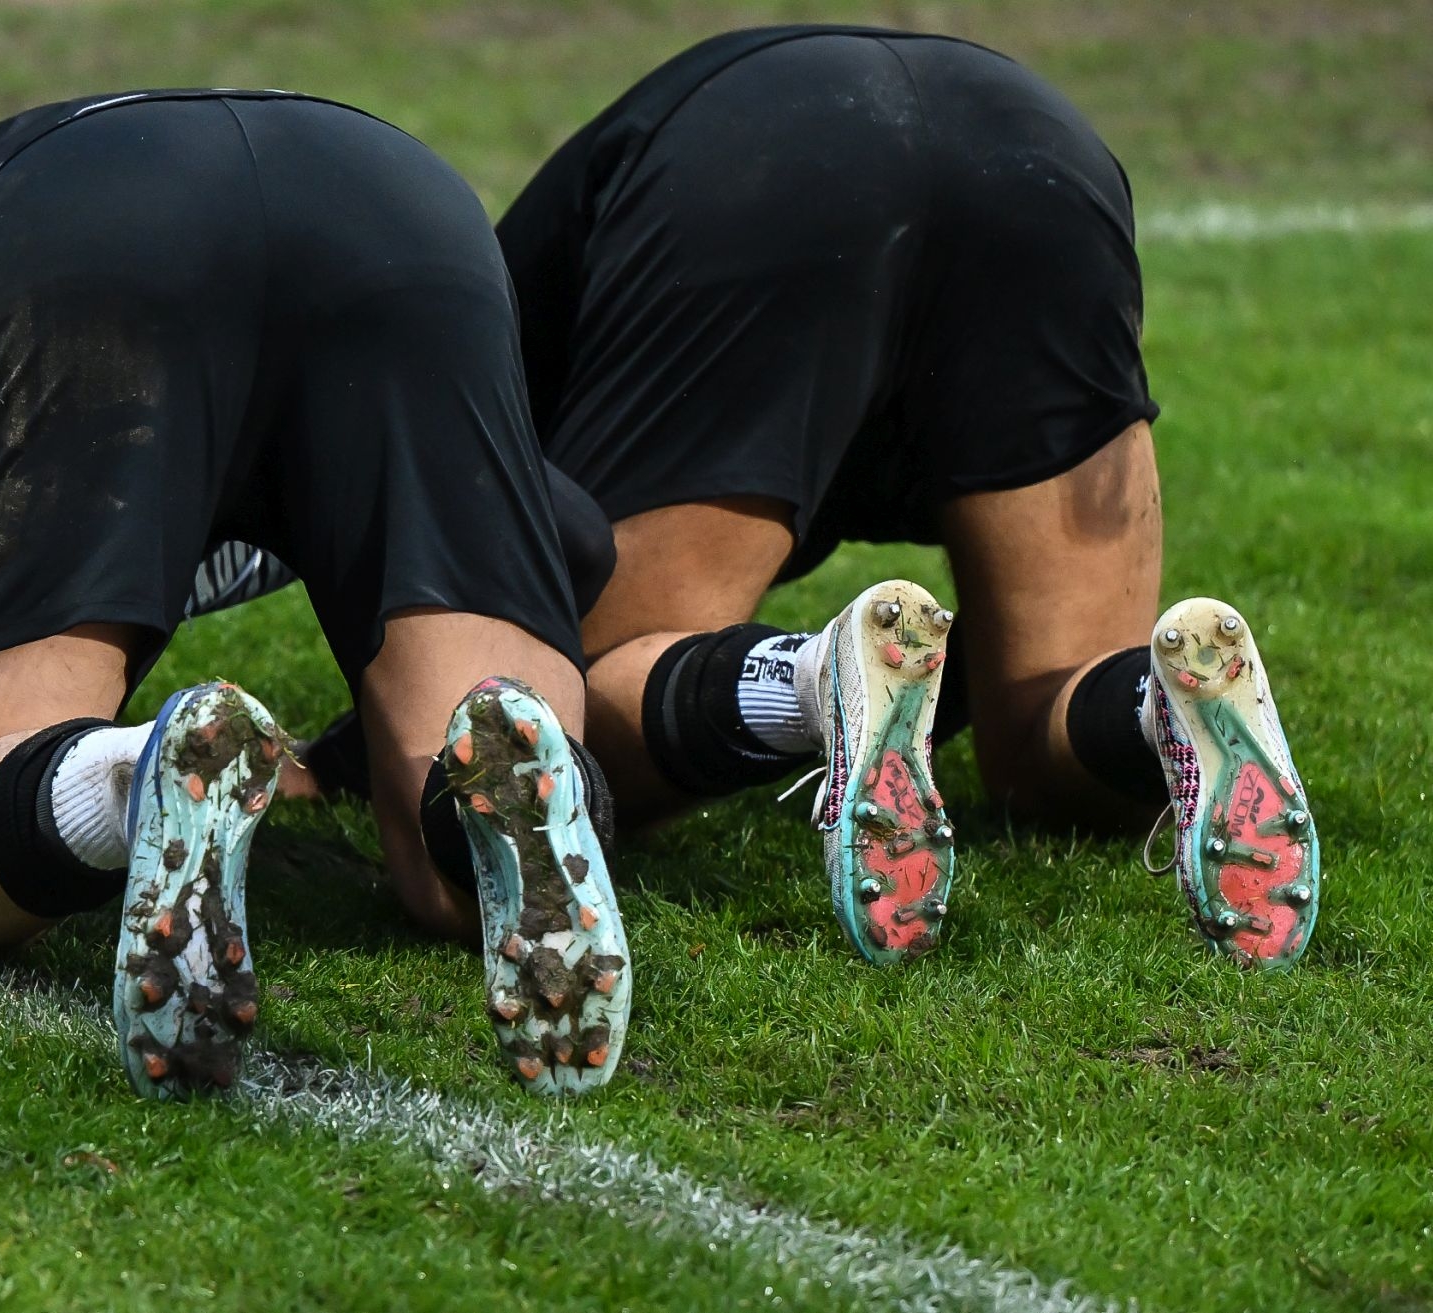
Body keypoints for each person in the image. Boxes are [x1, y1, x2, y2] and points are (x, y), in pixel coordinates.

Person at [0, 89, 632, 1095]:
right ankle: (503, 778)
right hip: (403, 200)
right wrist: (350, 758)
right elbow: (573, 539)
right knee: (446, 881)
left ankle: (134, 777)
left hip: (95, 221)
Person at [488, 25, 1319, 969]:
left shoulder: (469, 342)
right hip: (1039, 152)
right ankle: (1154, 704)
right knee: (1049, 712)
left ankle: (812, 679)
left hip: (760, 164)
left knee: (576, 717)